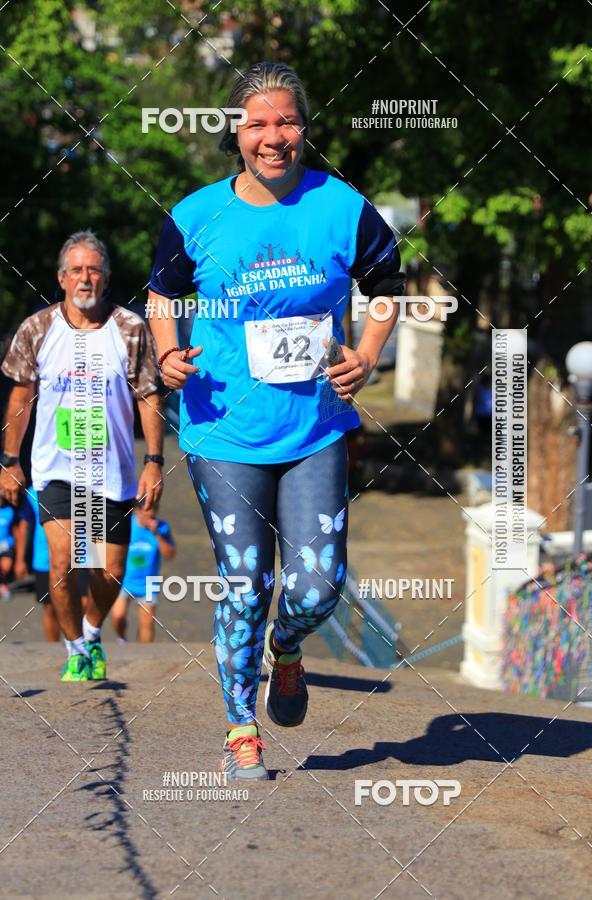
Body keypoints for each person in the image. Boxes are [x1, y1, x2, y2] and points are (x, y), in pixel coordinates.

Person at [147, 62, 404, 780]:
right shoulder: (195, 216)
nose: (273, 137)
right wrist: (168, 356)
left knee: (318, 585)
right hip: (223, 428)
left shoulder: (342, 206)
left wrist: (368, 355)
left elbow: (387, 283)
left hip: (315, 426)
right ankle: (240, 730)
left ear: (304, 128)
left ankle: (285, 651)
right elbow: (162, 294)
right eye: (258, 123)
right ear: (235, 130)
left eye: (286, 122)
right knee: (244, 583)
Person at [0, 230, 164, 681]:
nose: (85, 278)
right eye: (76, 270)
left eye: (93, 269)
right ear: (62, 277)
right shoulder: (38, 328)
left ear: (106, 278)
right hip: (56, 467)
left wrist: (154, 460)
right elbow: (20, 398)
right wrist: (11, 461)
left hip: (112, 471)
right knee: (62, 558)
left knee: (109, 571)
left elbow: (149, 396)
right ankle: (74, 649)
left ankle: (93, 633)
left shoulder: (129, 329)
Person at [111, 505, 176, 643]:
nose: (151, 518)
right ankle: (122, 638)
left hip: (149, 583)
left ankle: (144, 656)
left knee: (147, 623)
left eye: (153, 515)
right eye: (148, 515)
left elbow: (169, 554)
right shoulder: (127, 524)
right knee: (118, 615)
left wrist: (157, 534)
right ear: (138, 511)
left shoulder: (162, 527)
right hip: (125, 581)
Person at [22, 486, 61, 641]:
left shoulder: (78, 485)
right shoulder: (32, 492)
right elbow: (24, 525)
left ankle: (75, 648)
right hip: (44, 560)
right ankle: (53, 649)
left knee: (76, 606)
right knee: (50, 607)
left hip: (75, 558)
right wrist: (21, 559)